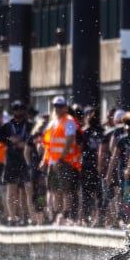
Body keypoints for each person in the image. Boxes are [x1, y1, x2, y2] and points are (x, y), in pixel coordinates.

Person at [41, 95, 82, 225]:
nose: (57, 109)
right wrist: (44, 160)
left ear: (65, 107)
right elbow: (49, 144)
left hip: (64, 161)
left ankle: (65, 214)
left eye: (60, 106)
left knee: (65, 190)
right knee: (54, 190)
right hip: (53, 161)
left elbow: (70, 141)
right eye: (55, 106)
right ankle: (57, 214)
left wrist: (61, 159)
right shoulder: (53, 122)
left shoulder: (69, 121)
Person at [0, 99, 33, 226]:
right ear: (13, 111)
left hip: (25, 160)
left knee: (25, 190)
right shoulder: (8, 126)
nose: (19, 112)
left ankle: (25, 216)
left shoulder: (29, 126)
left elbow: (36, 139)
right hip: (11, 160)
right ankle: (12, 217)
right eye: (16, 109)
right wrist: (9, 139)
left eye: (21, 109)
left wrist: (25, 144)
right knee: (11, 190)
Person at [79, 106, 105, 226]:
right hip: (89, 165)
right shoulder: (85, 131)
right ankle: (90, 217)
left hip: (92, 165)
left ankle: (95, 218)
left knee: (94, 193)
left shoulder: (98, 131)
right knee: (90, 193)